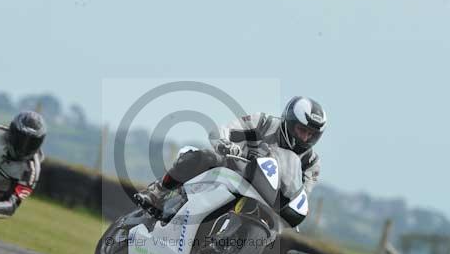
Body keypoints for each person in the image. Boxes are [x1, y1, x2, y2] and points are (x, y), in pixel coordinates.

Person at [134, 96, 327, 226]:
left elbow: (302, 193)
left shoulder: (311, 163)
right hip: (234, 168)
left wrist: (294, 210)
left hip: (265, 196)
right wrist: (225, 144)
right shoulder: (264, 123)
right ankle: (158, 191)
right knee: (206, 157)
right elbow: (225, 129)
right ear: (290, 122)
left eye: (311, 134)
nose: (305, 138)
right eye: (302, 130)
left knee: (272, 227)